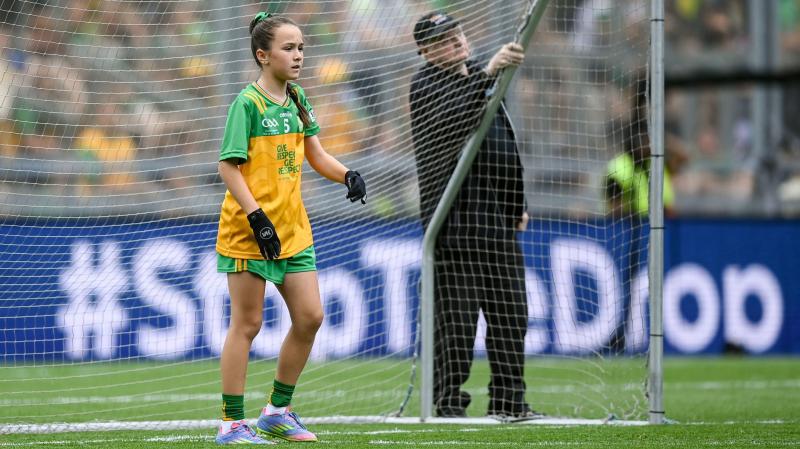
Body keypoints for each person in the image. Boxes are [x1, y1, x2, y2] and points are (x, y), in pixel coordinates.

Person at [214, 12, 367, 445]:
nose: (298, 55)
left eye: (301, 47)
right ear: (263, 56)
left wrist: (346, 174)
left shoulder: (298, 98)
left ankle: (276, 412)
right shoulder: (246, 103)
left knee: (311, 317)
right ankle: (231, 424)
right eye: (288, 47)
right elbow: (228, 165)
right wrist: (255, 216)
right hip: (250, 231)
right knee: (247, 324)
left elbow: (315, 153)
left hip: (293, 230)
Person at [408, 11, 537, 420]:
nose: (455, 41)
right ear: (426, 51)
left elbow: (505, 150)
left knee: (512, 316)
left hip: (496, 221)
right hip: (455, 223)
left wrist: (516, 204)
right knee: (456, 325)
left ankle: (509, 402)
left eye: (457, 33)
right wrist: (488, 74)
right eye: (443, 39)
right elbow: (451, 122)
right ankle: (446, 403)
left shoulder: (483, 85)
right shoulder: (425, 84)